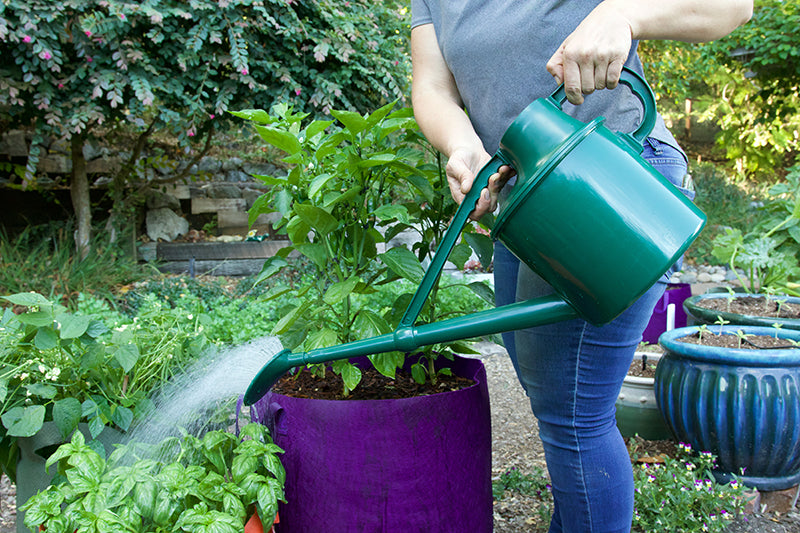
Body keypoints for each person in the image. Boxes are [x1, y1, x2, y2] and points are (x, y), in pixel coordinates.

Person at [410, 2, 753, 532]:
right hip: (523, 198)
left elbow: (730, 7)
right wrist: (463, 147)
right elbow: (433, 86)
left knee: (573, 415)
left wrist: (625, 14)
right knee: (557, 404)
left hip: (607, 183)